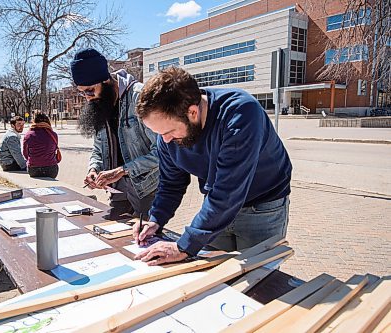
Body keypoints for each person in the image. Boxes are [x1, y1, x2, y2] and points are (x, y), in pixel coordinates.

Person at [134, 67, 292, 266]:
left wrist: (183, 246)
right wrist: (156, 219)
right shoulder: (167, 134)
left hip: (262, 208)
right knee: (215, 276)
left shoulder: (240, 114)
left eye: (169, 131)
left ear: (192, 112)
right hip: (216, 207)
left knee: (259, 281)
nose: (165, 140)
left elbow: (228, 191)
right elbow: (171, 183)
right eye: (158, 133)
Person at [70, 48, 159, 218]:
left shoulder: (140, 98)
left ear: (106, 80)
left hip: (148, 188)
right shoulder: (99, 103)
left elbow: (163, 152)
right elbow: (98, 148)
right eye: (82, 92)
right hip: (117, 190)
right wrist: (94, 169)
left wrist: (121, 170)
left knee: (147, 238)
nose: (87, 97)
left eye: (90, 90)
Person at [23, 113, 60, 178]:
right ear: (48, 122)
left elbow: (25, 153)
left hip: (33, 169)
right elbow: (54, 150)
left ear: (34, 122)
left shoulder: (28, 135)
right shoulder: (53, 135)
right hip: (51, 168)